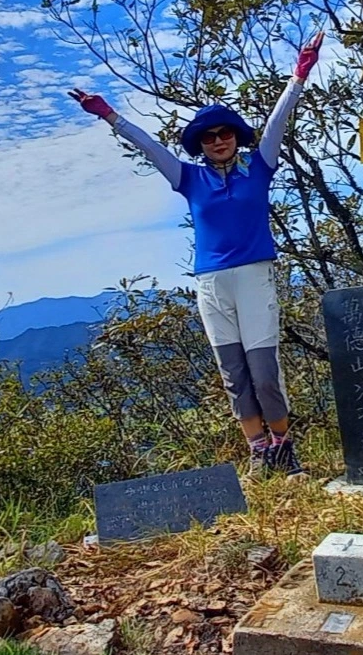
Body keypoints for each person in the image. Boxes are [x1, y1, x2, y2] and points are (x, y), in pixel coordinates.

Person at [68, 33, 323, 475]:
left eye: (225, 133)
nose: (218, 140)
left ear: (236, 137)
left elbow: (278, 121)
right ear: (200, 145)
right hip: (211, 284)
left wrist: (299, 75)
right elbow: (149, 146)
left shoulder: (259, 166)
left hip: (254, 277)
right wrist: (109, 115)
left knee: (264, 372)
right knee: (234, 374)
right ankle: (258, 451)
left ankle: (284, 449)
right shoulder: (188, 178)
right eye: (209, 137)